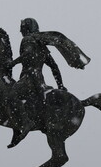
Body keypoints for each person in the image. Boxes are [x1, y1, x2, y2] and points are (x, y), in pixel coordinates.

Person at [7, 18, 90, 148]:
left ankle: (24, 124)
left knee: (11, 95)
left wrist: (11, 64)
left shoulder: (27, 40)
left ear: (26, 28)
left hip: (28, 79)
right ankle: (19, 128)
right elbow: (54, 67)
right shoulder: (42, 46)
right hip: (40, 81)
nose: (20, 31)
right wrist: (60, 85)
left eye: (22, 29)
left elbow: (28, 55)